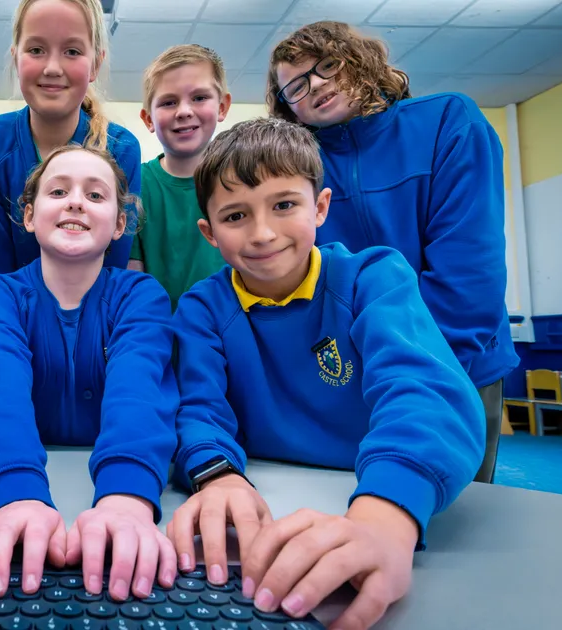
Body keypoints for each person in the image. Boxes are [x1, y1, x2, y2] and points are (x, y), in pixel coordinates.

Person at [169, 117, 485, 630]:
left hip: (369, 492)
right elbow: (196, 408)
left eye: (285, 205)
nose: (263, 232)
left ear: (320, 206)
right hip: (272, 498)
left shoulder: (373, 279)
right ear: (209, 233)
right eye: (235, 215)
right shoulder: (202, 308)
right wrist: (217, 476)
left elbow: (424, 392)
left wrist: (387, 513)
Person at [267, 20, 518, 482]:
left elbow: (470, 277)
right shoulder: (299, 170)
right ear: (290, 111)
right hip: (348, 377)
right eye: (296, 86)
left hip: (458, 363)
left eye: (326, 66)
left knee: (452, 519)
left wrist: (421, 382)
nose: (316, 84)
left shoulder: (447, 122)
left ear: (359, 62)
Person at [0, 146, 178, 603]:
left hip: (115, 480)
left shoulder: (142, 295)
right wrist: (15, 495)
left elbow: (139, 393)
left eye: (95, 195)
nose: (75, 201)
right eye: (59, 191)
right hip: (30, 477)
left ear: (118, 225)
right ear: (30, 216)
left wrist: (125, 497)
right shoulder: (0, 296)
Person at [0, 0, 142, 305]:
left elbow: (110, 270)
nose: (52, 67)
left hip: (89, 334)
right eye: (36, 50)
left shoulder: (121, 149)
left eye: (72, 51)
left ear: (96, 63)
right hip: (3, 329)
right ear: (16, 57)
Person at [129, 44, 232, 309]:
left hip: (233, 335)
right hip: (160, 337)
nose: (184, 111)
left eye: (199, 98)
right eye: (168, 102)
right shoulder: (134, 185)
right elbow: (132, 282)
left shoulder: (244, 180)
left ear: (222, 106)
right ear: (148, 119)